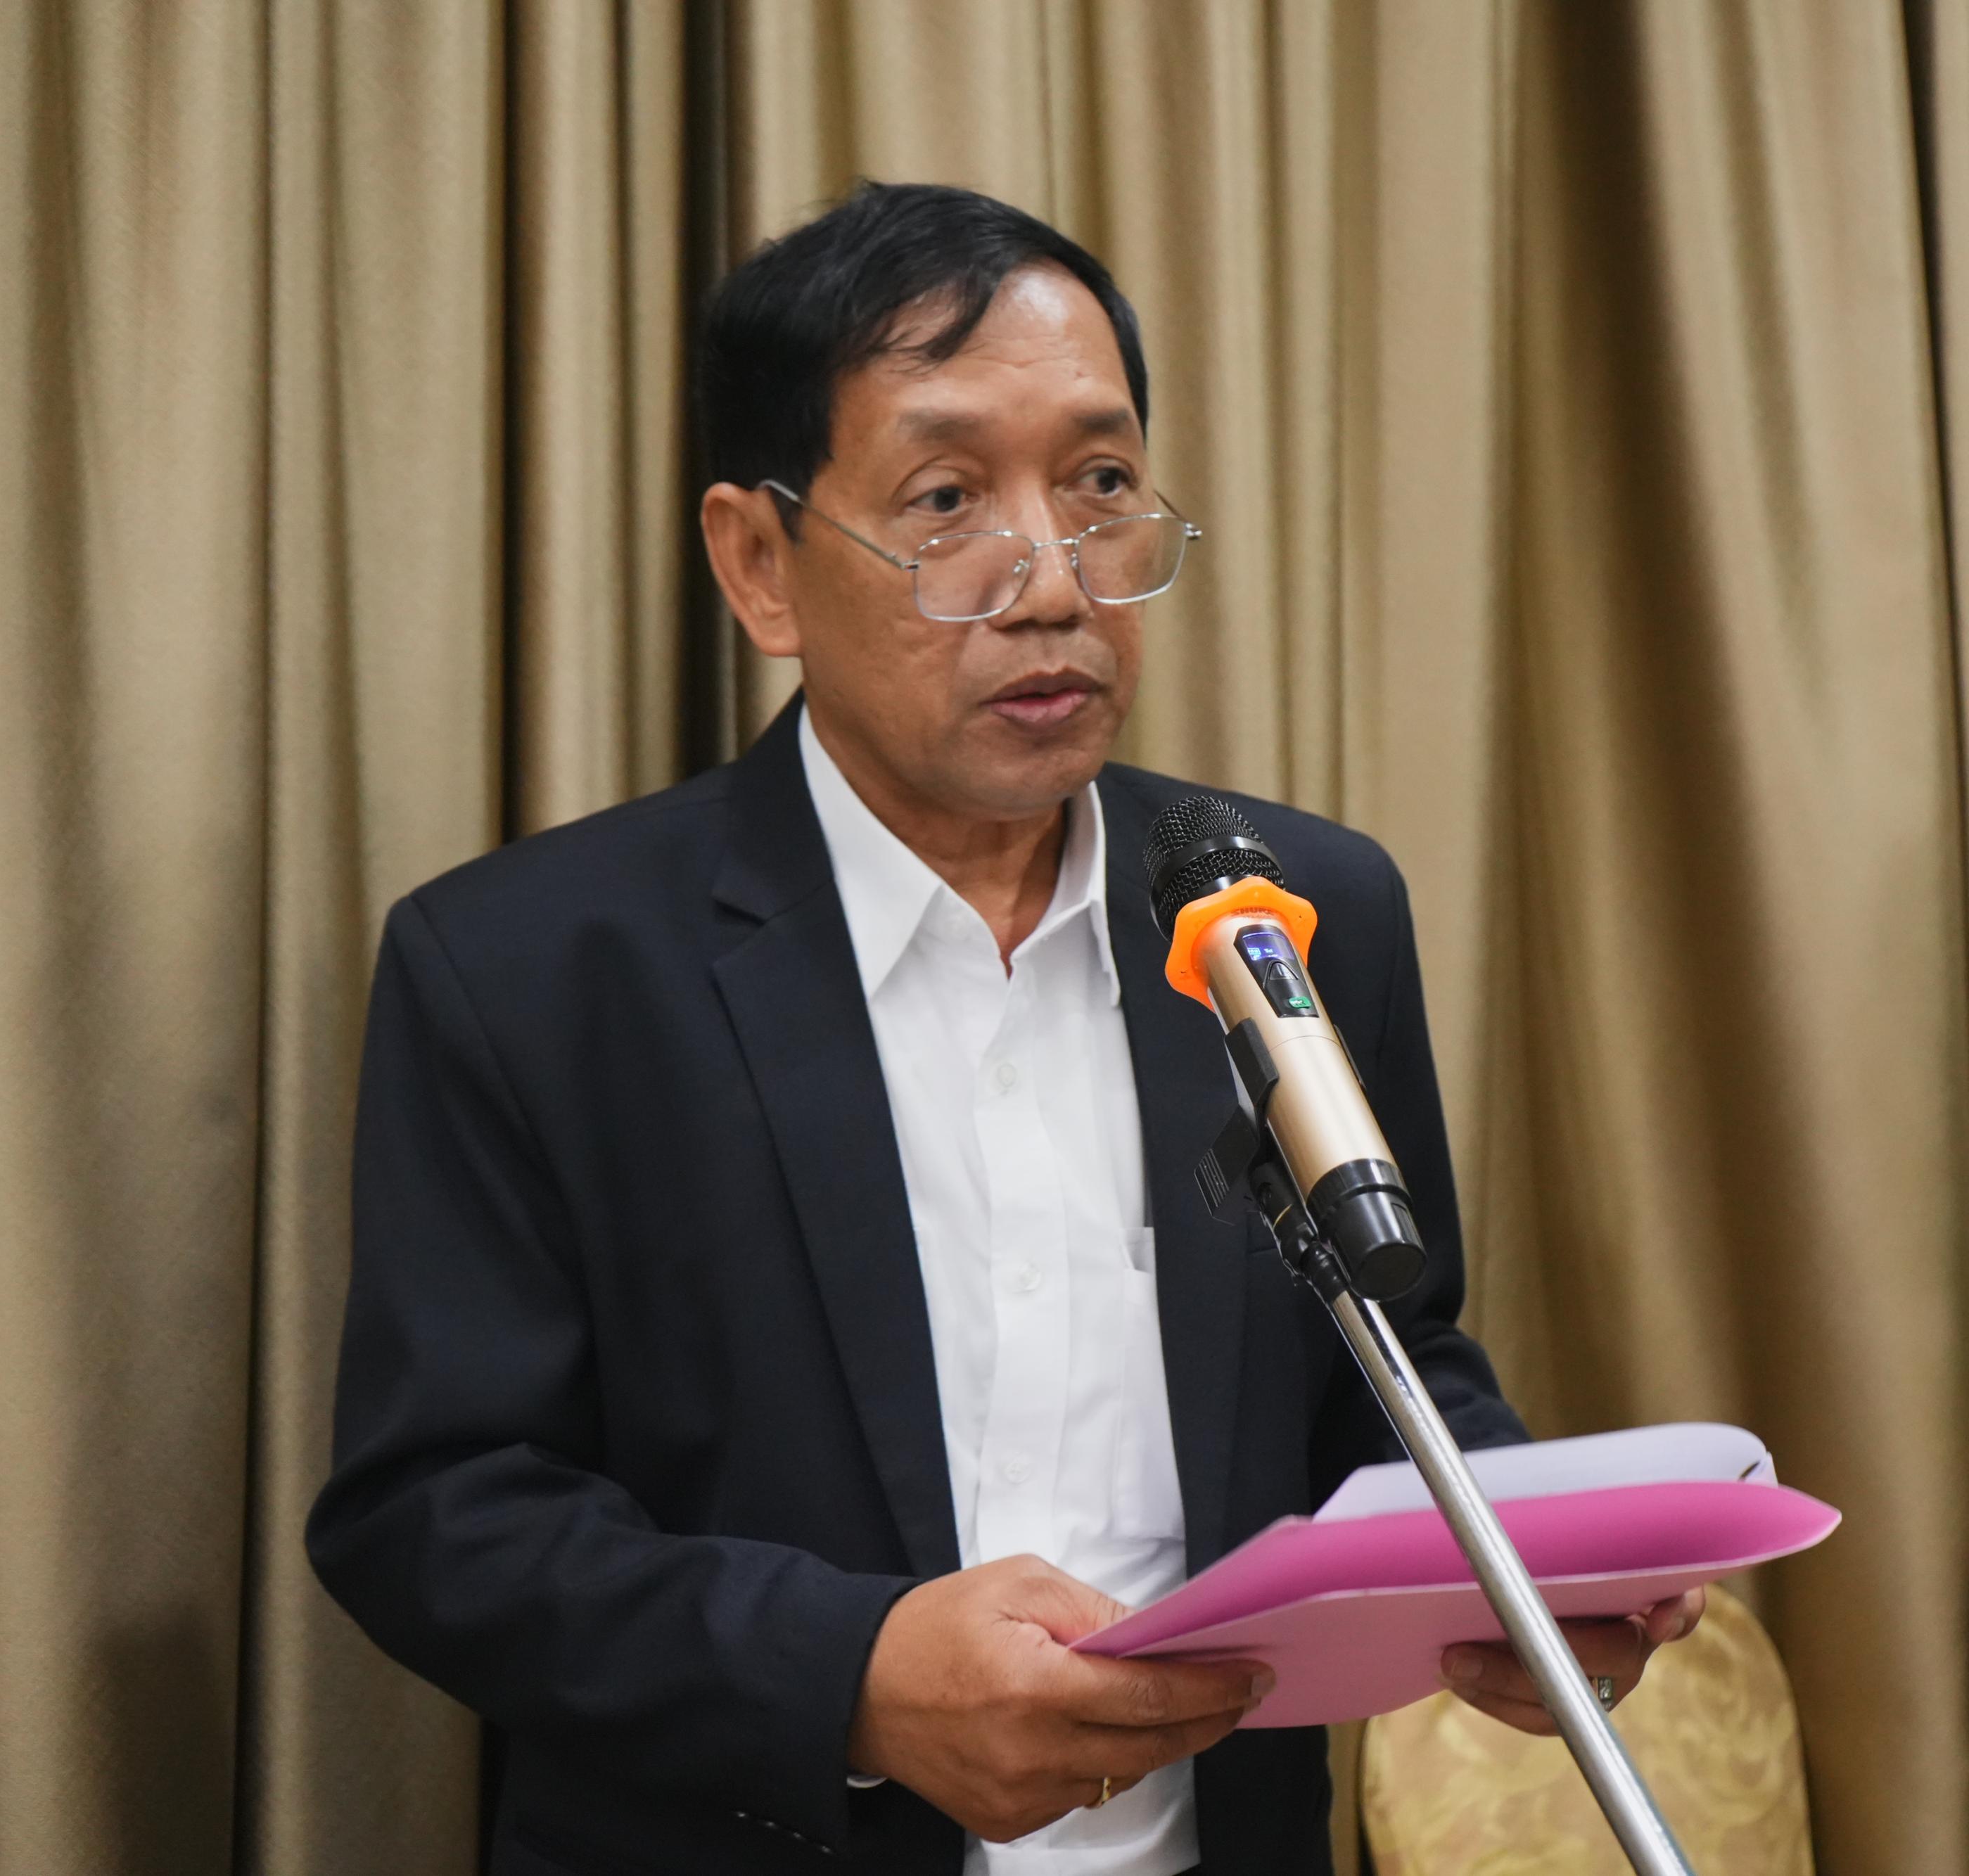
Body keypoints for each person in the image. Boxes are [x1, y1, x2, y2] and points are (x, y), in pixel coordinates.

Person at [307, 180, 1700, 1876]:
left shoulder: (1287, 913)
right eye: (947, 498)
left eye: (1100, 484)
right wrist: (848, 1675)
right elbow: (437, 1512)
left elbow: (1387, 1362)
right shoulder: (530, 968)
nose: (1052, 581)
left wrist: (1523, 1561)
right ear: (759, 563)